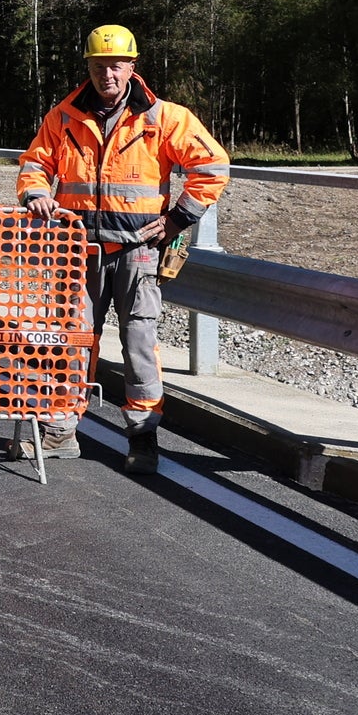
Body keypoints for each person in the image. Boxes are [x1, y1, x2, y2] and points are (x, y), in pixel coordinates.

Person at [16, 23, 229, 475]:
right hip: (78, 253)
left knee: (139, 345)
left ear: (132, 67)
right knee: (70, 342)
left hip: (138, 253)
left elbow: (212, 166)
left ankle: (143, 436)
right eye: (98, 66)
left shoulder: (163, 117)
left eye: (115, 66)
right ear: (88, 68)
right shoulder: (64, 117)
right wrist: (34, 192)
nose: (106, 75)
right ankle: (60, 431)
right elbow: (35, 162)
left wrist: (177, 219)